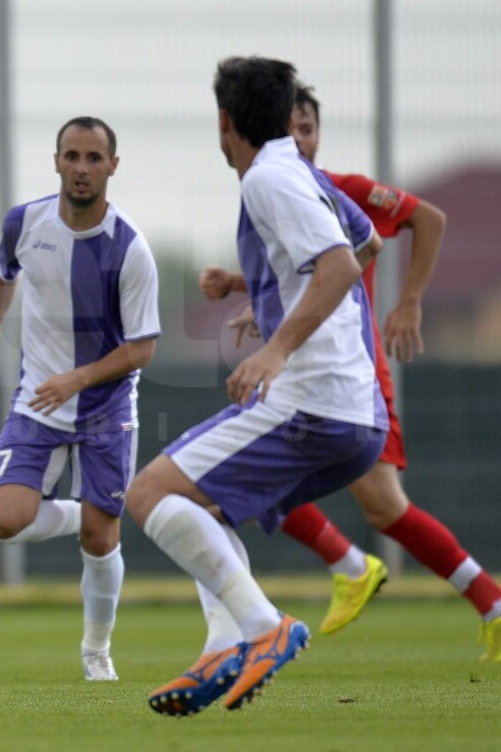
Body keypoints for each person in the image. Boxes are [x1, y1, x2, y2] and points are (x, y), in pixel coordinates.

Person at [199, 84, 501, 660]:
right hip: (305, 373)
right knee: (242, 480)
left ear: (317, 133)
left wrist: (410, 301)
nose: (299, 139)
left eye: (307, 128)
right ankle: (362, 572)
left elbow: (426, 221)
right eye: (290, 129)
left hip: (349, 373)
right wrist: (243, 290)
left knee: (376, 504)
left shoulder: (344, 190)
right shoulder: (277, 194)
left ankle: (370, 573)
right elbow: (299, 277)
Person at [126, 57, 389, 717]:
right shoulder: (300, 172)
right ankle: (223, 643)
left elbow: (334, 264)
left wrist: (276, 347)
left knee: (149, 492)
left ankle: (263, 626)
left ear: (225, 122)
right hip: (352, 411)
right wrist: (262, 293)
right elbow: (363, 244)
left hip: (313, 401)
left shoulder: (269, 178)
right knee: (204, 508)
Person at [0, 117, 160, 681]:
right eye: (71, 156)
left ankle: (97, 651)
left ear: (112, 167)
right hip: (37, 403)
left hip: (106, 408)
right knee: (4, 518)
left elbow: (142, 348)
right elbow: (3, 275)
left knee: (102, 542)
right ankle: (92, 514)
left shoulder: (130, 249)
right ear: (56, 161)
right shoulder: (25, 222)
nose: (81, 168)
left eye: (93, 158)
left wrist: (77, 380)